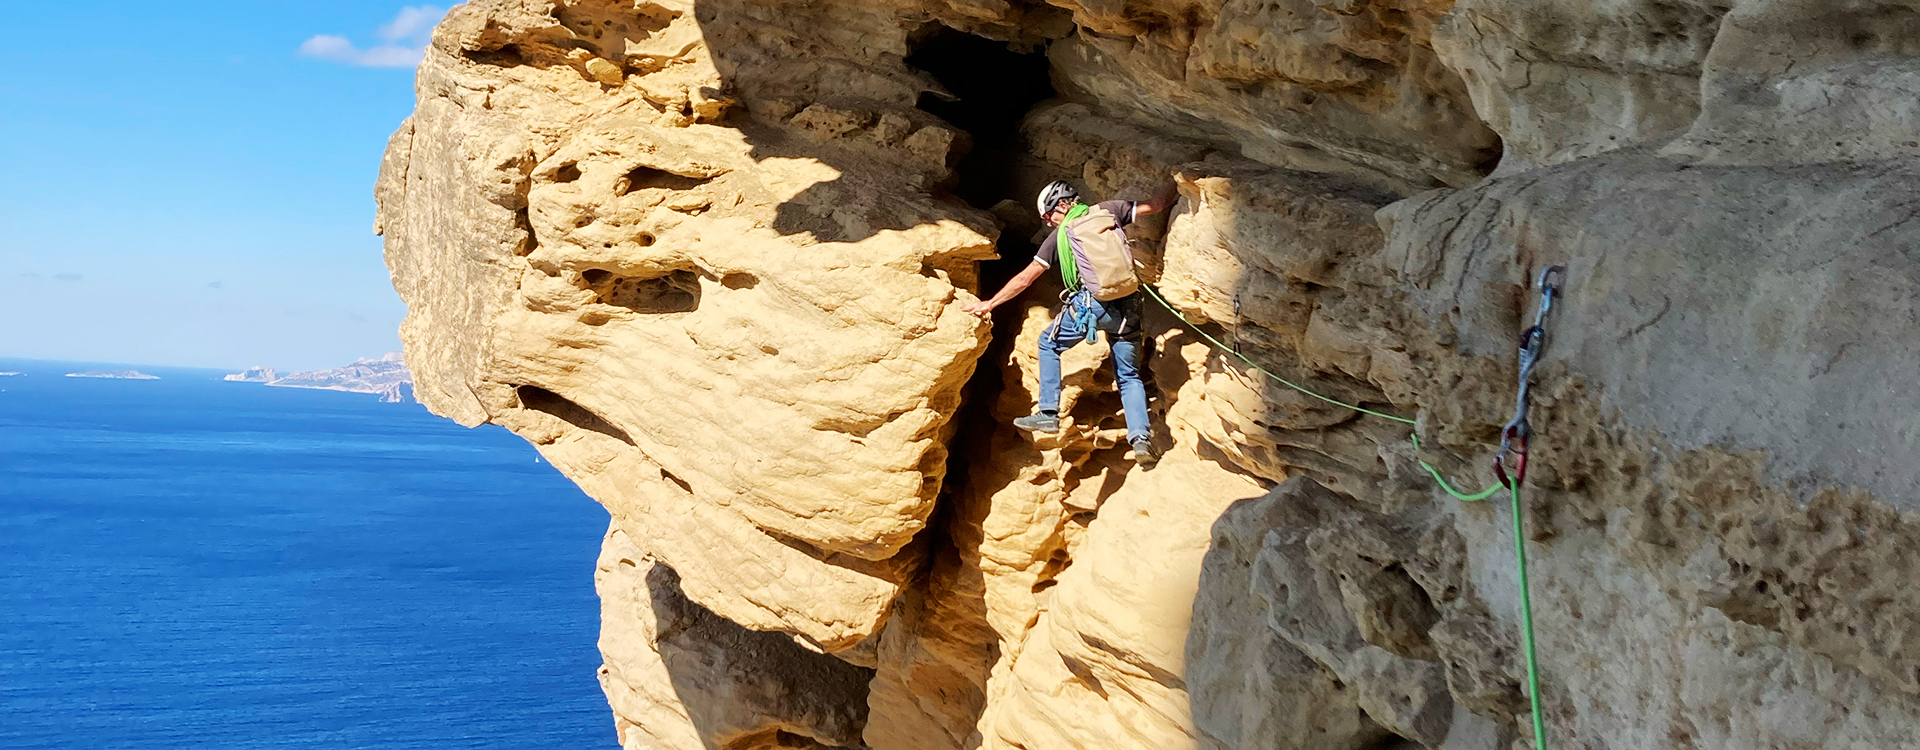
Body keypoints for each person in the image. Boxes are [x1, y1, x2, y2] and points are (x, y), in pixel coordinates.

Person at [962, 179, 1176, 463]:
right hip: (1128, 309)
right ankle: (1140, 440)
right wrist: (1177, 180)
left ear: (1061, 205)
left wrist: (990, 303)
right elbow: (1157, 205)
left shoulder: (1061, 235)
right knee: (1128, 376)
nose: (1049, 223)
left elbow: (1026, 278)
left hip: (1090, 307)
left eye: (1049, 216)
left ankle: (1048, 414)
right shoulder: (1109, 210)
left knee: (1048, 345)